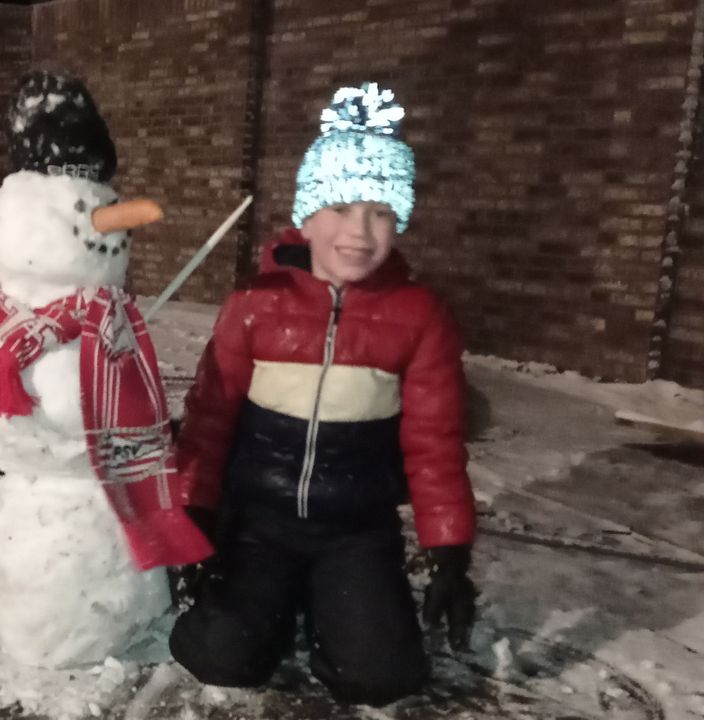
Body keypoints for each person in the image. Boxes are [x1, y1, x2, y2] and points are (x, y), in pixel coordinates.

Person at [168, 83, 477, 706]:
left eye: (380, 211)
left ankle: (334, 603)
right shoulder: (255, 305)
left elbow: (434, 443)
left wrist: (449, 550)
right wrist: (194, 513)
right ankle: (277, 600)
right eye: (340, 209)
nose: (359, 232)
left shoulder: (421, 316)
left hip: (355, 530)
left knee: (381, 678)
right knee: (217, 656)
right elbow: (209, 417)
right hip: (258, 522)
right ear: (306, 217)